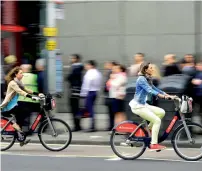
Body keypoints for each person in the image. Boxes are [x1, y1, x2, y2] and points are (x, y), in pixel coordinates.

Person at [129, 62, 175, 151]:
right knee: (157, 120)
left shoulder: (148, 78)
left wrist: (168, 95)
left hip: (143, 105)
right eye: (151, 68)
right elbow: (150, 91)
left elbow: (155, 88)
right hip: (138, 106)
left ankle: (148, 130)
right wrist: (163, 96)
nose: (153, 69)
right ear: (145, 70)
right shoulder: (141, 79)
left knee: (161, 112)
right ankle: (153, 144)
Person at [0, 66, 43, 146]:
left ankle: (21, 137)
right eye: (21, 73)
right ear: (16, 74)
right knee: (24, 111)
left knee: (23, 114)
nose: (22, 75)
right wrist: (32, 97)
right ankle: (20, 133)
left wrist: (37, 94)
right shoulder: (13, 83)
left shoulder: (18, 82)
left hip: (14, 105)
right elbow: (21, 92)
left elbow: (26, 90)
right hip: (8, 106)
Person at [80, 60, 102, 132]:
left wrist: (83, 94)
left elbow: (86, 84)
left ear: (91, 65)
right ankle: (91, 125)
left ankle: (92, 126)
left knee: (90, 109)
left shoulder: (89, 73)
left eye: (87, 65)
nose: (86, 66)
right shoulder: (98, 73)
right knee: (91, 108)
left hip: (89, 92)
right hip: (95, 92)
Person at [67, 54, 84, 131]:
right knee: (75, 109)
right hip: (75, 90)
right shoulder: (77, 67)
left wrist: (68, 77)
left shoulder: (76, 68)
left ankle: (77, 126)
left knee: (74, 109)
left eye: (73, 58)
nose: (71, 59)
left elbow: (71, 77)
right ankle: (77, 125)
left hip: (75, 90)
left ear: (76, 59)